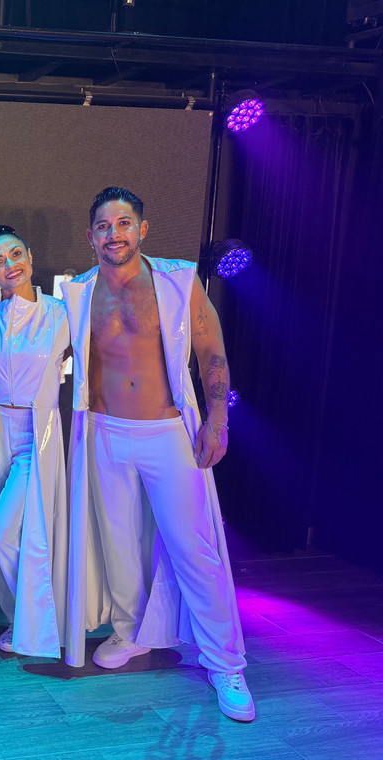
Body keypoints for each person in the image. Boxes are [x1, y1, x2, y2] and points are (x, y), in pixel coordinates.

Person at [62, 187, 254, 721]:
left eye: (124, 223)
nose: (114, 234)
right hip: (103, 431)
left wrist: (217, 419)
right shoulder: (77, 292)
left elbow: (211, 351)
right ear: (91, 236)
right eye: (104, 226)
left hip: (168, 432)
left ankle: (225, 663)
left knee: (194, 547)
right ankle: (130, 633)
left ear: (142, 229)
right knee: (119, 544)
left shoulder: (178, 280)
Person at [0, 222, 80, 662]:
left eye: (15, 254)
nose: (9, 265)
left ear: (30, 255)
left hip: (37, 431)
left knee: (5, 530)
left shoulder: (62, 313)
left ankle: (39, 621)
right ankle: (24, 618)